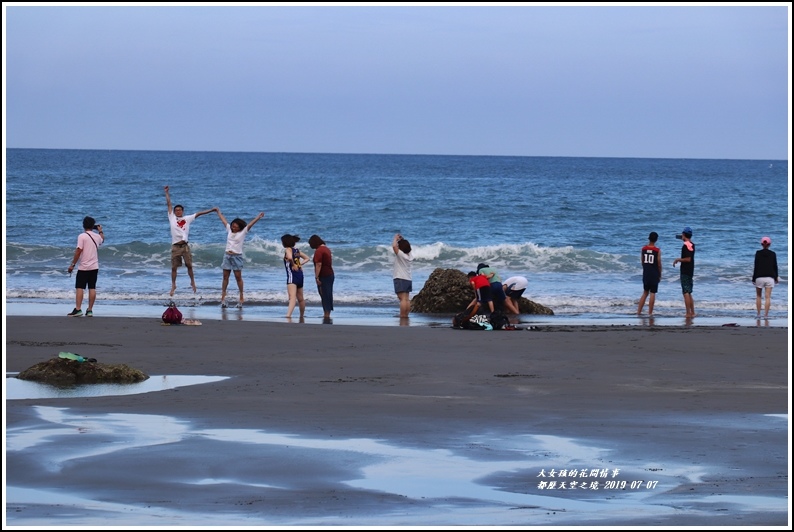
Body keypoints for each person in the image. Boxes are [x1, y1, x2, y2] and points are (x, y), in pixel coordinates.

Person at [164, 186, 217, 297]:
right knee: (174, 267)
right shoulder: (172, 218)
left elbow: (199, 213)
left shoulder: (187, 218)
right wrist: (167, 193)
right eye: (176, 210)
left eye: (180, 210)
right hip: (175, 246)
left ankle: (192, 281)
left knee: (189, 266)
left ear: (183, 211)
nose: (178, 211)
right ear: (174, 212)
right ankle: (173, 285)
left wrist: (211, 210)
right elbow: (169, 204)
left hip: (185, 246)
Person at [215, 209, 264, 308]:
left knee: (238, 277)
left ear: (239, 228)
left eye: (236, 226)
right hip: (227, 256)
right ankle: (223, 296)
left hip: (237, 256)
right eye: (233, 225)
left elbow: (250, 225)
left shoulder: (243, 232)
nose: (233, 227)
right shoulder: (229, 229)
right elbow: (223, 221)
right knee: (225, 277)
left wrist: (258, 217)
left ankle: (241, 295)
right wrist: (218, 212)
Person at [66, 216, 105, 317]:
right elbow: (102, 240)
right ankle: (90, 310)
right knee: (92, 287)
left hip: (83, 266)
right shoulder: (97, 236)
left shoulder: (82, 236)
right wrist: (100, 231)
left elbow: (79, 251)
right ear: (93, 226)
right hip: (94, 266)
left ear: (83, 225)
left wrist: (72, 265)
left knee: (80, 287)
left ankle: (78, 309)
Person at [282, 234, 311, 319]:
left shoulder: (288, 249)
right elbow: (307, 258)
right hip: (300, 275)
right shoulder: (297, 250)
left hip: (292, 275)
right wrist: (299, 264)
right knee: (300, 298)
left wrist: (293, 265)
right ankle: (301, 315)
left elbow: (290, 258)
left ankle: (288, 315)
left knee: (292, 297)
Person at [752, 236, 778, 319]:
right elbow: (775, 266)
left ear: (761, 244)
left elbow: (756, 266)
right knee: (768, 297)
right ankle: (766, 315)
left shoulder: (758, 253)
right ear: (770, 244)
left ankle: (758, 314)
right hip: (770, 277)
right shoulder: (773, 254)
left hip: (759, 277)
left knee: (758, 296)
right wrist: (776, 277)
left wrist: (754, 278)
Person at [309, 235, 335, 320]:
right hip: (330, 274)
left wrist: (316, 277)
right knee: (328, 294)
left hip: (324, 275)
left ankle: (326, 314)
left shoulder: (319, 251)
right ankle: (327, 313)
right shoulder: (326, 249)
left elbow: (318, 264)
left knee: (324, 294)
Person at [672, 226, 696, 318]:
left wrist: (678, 259)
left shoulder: (685, 246)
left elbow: (688, 259)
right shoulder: (691, 244)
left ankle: (688, 313)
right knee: (689, 292)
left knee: (685, 292)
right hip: (690, 270)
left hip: (685, 270)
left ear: (684, 234)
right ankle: (692, 312)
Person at [637, 231, 662, 316]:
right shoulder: (657, 250)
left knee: (645, 292)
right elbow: (659, 263)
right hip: (654, 273)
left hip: (646, 273)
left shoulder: (643, 249)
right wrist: (660, 274)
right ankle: (650, 312)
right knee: (653, 293)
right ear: (656, 240)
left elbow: (642, 261)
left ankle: (639, 311)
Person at [392, 234, 414, 318]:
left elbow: (394, 247)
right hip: (408, 278)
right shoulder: (409, 256)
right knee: (406, 298)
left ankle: (402, 314)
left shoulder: (401, 255)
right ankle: (406, 314)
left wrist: (395, 239)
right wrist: (402, 240)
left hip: (400, 277)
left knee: (402, 298)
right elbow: (406, 247)